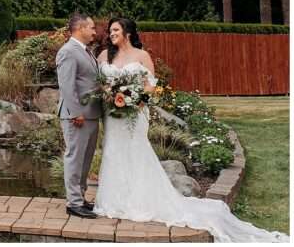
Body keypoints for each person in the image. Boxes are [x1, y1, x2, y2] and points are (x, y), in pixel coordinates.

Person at [94, 17, 288, 243]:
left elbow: (151, 86)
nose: (111, 33)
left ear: (127, 32)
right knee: (113, 151)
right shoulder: (103, 56)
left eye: (115, 29)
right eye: (110, 30)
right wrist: (109, 94)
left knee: (136, 151)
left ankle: (139, 199)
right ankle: (115, 200)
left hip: (134, 115)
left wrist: (135, 99)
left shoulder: (141, 56)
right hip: (112, 115)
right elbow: (99, 83)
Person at [55, 12, 101, 218]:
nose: (94, 31)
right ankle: (73, 203)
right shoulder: (68, 51)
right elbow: (66, 85)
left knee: (85, 159)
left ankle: (80, 198)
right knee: (74, 158)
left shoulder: (86, 51)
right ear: (80, 28)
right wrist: (75, 113)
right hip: (77, 115)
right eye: (91, 27)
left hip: (90, 114)